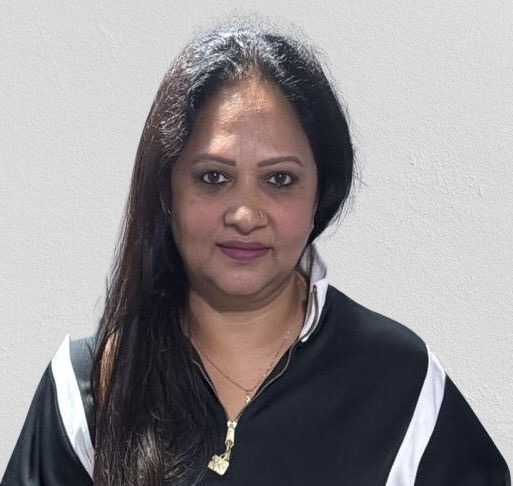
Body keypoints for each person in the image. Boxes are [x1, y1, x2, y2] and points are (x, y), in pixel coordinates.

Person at [2, 25, 510, 486]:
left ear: (321, 194)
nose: (245, 214)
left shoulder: (402, 386)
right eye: (213, 177)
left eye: (280, 179)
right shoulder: (89, 390)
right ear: (166, 191)